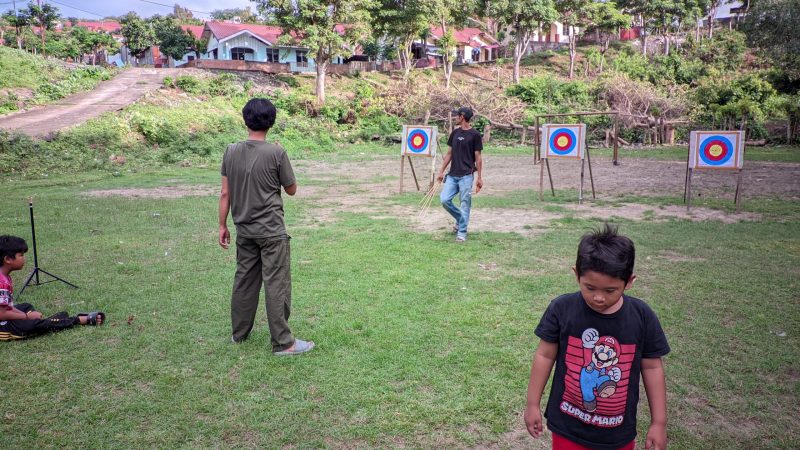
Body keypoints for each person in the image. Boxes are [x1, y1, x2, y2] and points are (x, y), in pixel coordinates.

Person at [524, 225, 670, 450]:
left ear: (629, 282)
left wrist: (659, 422)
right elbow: (544, 355)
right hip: (567, 426)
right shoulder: (562, 309)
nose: (599, 298)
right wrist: (532, 403)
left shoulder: (642, 317)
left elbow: (652, 368)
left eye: (610, 290)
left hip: (617, 433)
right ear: (576, 275)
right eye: (590, 287)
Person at [218, 98, 314, 355]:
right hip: (272, 232)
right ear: (271, 122)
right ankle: (284, 343)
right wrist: (281, 156)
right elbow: (292, 190)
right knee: (276, 283)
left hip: (244, 230)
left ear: (245, 119)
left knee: (244, 281)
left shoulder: (230, 151)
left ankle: (239, 334)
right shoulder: (276, 152)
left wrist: (222, 225)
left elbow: (225, 194)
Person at [0, 235, 104, 341]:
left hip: (4, 316)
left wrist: (24, 315)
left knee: (26, 306)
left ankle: (46, 322)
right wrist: (27, 317)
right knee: (33, 325)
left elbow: (8, 307)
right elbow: (2, 314)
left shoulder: (4, 276)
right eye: (21, 255)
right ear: (8, 259)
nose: (24, 259)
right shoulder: (1, 282)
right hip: (2, 327)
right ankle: (78, 320)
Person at [436, 106, 484, 243]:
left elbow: (478, 158)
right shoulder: (455, 133)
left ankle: (462, 232)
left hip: (467, 176)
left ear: (462, 117)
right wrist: (441, 172)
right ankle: (460, 219)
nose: (456, 117)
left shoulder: (475, 135)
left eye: (457, 115)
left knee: (465, 204)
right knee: (444, 200)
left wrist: (479, 178)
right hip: (452, 175)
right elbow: (449, 154)